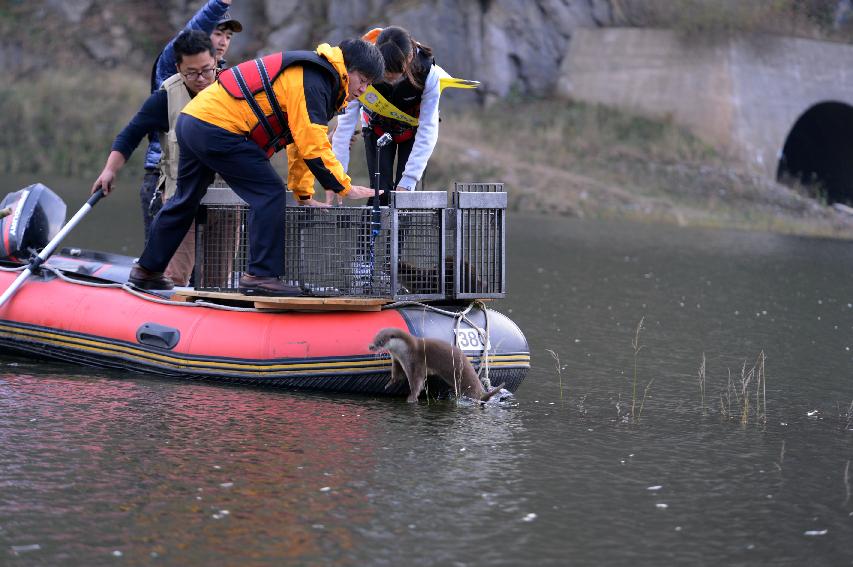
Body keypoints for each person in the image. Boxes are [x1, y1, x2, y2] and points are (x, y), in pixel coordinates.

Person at [117, 39, 385, 295]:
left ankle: (147, 269)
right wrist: (343, 186)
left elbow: (299, 143)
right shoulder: (316, 81)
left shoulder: (316, 77)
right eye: (363, 80)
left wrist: (303, 195)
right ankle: (260, 276)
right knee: (269, 193)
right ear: (348, 69)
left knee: (185, 199)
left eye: (369, 84)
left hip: (193, 121)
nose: (363, 90)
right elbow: (314, 144)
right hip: (218, 129)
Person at [91, 30, 218, 287]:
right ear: (178, 68)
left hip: (225, 199)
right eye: (192, 73)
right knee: (174, 276)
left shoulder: (233, 88)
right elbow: (130, 135)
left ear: (216, 61)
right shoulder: (165, 98)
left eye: (207, 70)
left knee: (219, 280)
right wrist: (109, 170)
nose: (202, 78)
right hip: (181, 197)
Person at [329, 26, 478, 205]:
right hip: (377, 126)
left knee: (406, 199)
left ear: (409, 59)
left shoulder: (428, 73)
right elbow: (345, 126)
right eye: (383, 76)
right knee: (379, 193)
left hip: (412, 131)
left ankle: (402, 228)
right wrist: (338, 177)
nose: (389, 80)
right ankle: (370, 232)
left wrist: (408, 180)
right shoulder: (362, 65)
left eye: (394, 76)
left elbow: (428, 129)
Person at [139, 0, 242, 242]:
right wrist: (219, 4)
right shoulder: (172, 65)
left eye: (228, 36)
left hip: (209, 181)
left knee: (206, 273)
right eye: (217, 33)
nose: (223, 41)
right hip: (163, 178)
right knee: (162, 265)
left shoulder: (225, 80)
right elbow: (192, 31)